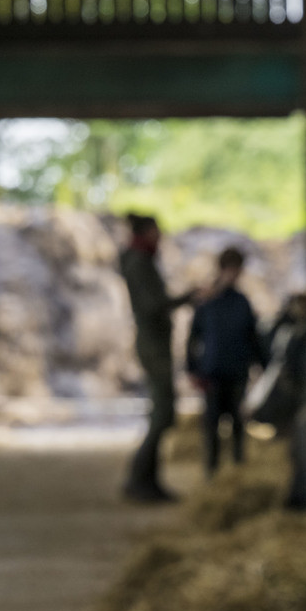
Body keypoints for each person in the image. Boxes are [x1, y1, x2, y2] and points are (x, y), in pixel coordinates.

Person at [119, 213, 193, 503]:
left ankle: (147, 479)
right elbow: (152, 305)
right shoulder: (140, 261)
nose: (160, 235)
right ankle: (140, 478)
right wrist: (186, 298)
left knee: (161, 413)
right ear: (147, 232)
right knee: (162, 413)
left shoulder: (141, 259)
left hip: (154, 343)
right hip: (154, 344)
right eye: (156, 230)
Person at [186, 247, 267, 476]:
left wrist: (263, 365)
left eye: (237, 270)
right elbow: (193, 338)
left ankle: (237, 471)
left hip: (237, 371)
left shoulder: (242, 302)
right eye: (231, 269)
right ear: (222, 269)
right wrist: (192, 368)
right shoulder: (207, 302)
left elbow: (253, 337)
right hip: (212, 371)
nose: (234, 274)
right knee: (212, 424)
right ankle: (212, 472)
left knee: (238, 422)